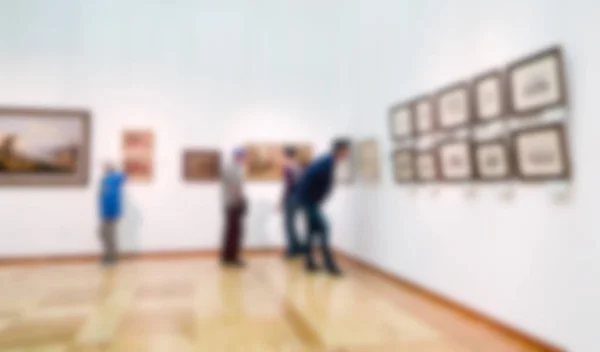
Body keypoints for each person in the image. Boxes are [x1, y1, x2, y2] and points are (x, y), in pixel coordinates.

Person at [294, 138, 351, 276]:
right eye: (347, 151)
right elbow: (310, 176)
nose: (348, 154)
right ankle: (329, 265)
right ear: (341, 150)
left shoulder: (327, 160)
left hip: (310, 201)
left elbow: (310, 176)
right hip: (309, 201)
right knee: (325, 227)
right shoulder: (327, 161)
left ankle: (309, 262)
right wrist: (312, 197)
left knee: (312, 230)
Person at [220, 148, 247, 266]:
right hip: (233, 203)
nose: (244, 159)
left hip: (231, 203)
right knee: (234, 231)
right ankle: (231, 258)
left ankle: (228, 256)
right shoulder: (232, 168)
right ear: (238, 156)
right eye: (243, 156)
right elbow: (234, 186)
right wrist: (240, 200)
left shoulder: (232, 167)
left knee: (232, 231)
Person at [99, 162, 127, 266]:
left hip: (110, 212)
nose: (103, 169)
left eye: (105, 167)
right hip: (106, 212)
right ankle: (108, 255)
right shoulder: (106, 180)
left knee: (109, 235)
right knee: (104, 234)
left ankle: (111, 258)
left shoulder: (113, 179)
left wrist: (109, 212)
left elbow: (110, 197)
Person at [280, 146, 303, 258]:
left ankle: (292, 250)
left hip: (291, 198)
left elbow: (289, 186)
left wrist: (282, 201)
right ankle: (296, 247)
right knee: (292, 224)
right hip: (297, 198)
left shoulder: (288, 167)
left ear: (286, 155)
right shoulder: (298, 167)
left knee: (288, 224)